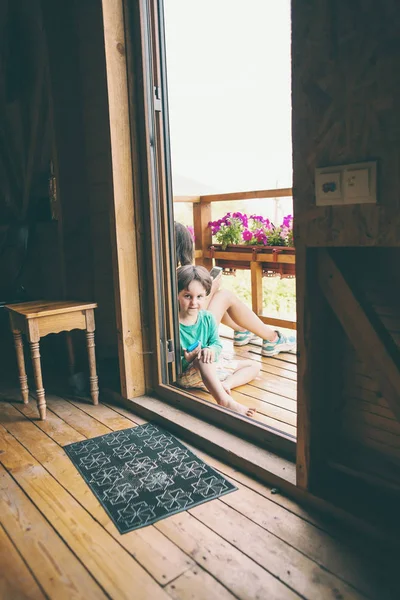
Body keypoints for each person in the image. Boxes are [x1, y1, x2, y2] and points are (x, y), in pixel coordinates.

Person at [174, 222, 296, 356]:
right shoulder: (176, 275)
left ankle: (241, 330)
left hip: (182, 328)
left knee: (218, 296)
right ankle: (273, 339)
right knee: (225, 296)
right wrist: (211, 288)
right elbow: (191, 310)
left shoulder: (164, 274)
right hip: (189, 334)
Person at [177, 264, 258, 418]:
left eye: (199, 297)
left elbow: (216, 344)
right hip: (188, 374)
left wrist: (211, 350)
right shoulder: (173, 324)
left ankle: (224, 385)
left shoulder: (207, 318)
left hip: (210, 367)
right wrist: (185, 359)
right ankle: (224, 400)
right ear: (177, 295)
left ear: (206, 295)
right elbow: (169, 364)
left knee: (254, 365)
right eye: (188, 296)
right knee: (201, 358)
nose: (194, 302)